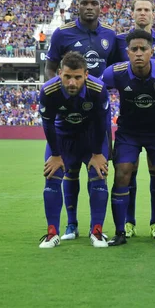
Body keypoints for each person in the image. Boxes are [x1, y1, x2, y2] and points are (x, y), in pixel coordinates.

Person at [45, 0, 117, 241]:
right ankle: (70, 226)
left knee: (99, 170)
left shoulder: (111, 35)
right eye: (84, 2)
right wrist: (59, 94)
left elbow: (118, 68)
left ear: (100, 6)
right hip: (68, 113)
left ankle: (96, 229)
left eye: (94, 3)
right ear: (78, 4)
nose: (89, 6)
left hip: (98, 115)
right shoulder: (62, 33)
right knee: (69, 170)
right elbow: (51, 66)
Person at [102, 30, 155, 247]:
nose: (139, 53)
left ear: (152, 51)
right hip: (128, 133)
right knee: (122, 174)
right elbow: (96, 88)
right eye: (134, 49)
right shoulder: (115, 73)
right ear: (127, 52)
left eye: (143, 49)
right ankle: (121, 231)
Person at [38, 51, 110, 249]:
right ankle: (52, 233)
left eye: (77, 77)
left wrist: (97, 154)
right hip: (62, 136)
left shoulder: (98, 89)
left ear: (86, 75)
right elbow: (48, 124)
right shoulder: (48, 90)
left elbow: (101, 122)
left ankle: (96, 231)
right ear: (59, 73)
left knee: (98, 175)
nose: (72, 83)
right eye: (67, 76)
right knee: (51, 176)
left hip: (91, 136)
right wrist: (55, 155)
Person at [115, 0, 155, 239]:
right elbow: (109, 77)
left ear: (153, 14)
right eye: (138, 9)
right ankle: (128, 222)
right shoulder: (119, 42)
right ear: (132, 13)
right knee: (128, 170)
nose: (142, 14)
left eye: (147, 10)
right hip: (129, 119)